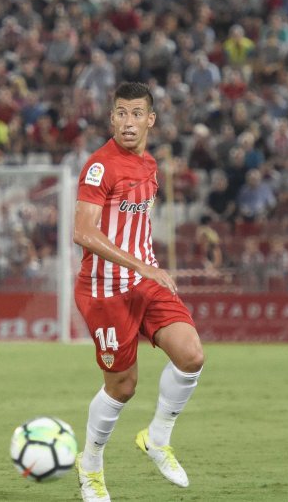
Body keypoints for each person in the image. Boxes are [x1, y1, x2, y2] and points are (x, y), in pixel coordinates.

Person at [72, 82, 204, 501]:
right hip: (104, 290)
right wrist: (143, 264)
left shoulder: (149, 166)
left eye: (136, 114)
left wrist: (147, 268)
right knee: (123, 387)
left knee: (191, 356)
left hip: (144, 283)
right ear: (111, 118)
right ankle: (90, 463)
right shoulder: (100, 166)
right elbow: (83, 231)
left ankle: (158, 437)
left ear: (151, 120)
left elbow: (134, 229)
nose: (128, 122)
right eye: (121, 113)